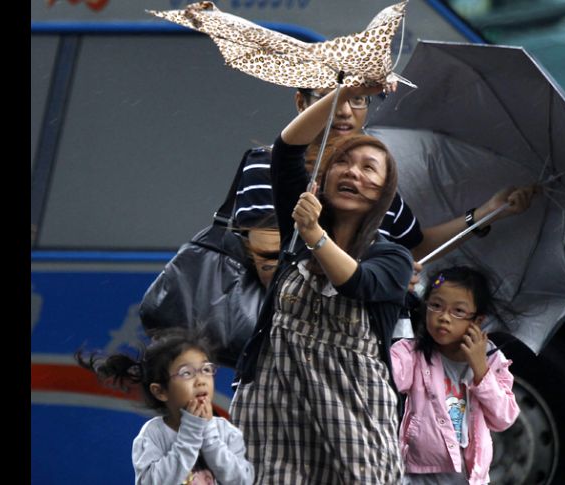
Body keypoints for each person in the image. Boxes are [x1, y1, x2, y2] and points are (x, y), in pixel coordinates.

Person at [229, 84, 414, 483]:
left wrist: (315, 235)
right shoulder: (298, 222)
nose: (353, 172)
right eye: (343, 163)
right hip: (273, 410)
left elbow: (357, 283)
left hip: (354, 418)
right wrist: (346, 92)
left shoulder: (393, 258)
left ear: (384, 192)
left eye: (369, 168)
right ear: (325, 177)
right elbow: (287, 149)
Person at [233, 87, 537, 263]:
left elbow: (413, 245)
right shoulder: (267, 167)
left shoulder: (370, 183)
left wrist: (487, 213)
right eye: (329, 97)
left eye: (357, 99)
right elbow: (271, 259)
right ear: (302, 103)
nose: (344, 111)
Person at [390, 266, 521, 485]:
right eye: (436, 306)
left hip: (468, 476)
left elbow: (503, 418)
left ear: (477, 321)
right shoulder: (413, 352)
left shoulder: (491, 359)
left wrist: (480, 369)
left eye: (458, 311)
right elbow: (391, 379)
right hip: (416, 471)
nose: (444, 318)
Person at [76, 328, 254, 485]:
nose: (201, 381)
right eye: (186, 373)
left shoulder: (225, 431)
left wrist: (209, 435)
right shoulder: (153, 435)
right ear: (160, 392)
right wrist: (190, 433)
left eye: (206, 370)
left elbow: (241, 480)